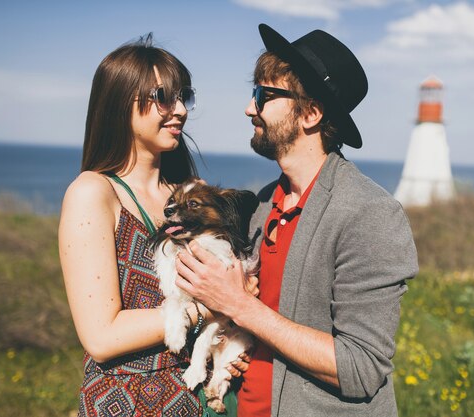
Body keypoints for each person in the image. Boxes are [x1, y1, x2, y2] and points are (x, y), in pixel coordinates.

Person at [175, 24, 419, 417]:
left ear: (310, 113)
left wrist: (239, 305)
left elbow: (361, 367)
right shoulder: (258, 206)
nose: (249, 107)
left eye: (263, 95)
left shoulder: (370, 214)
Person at [59, 34, 251, 417]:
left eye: (185, 96)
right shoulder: (93, 193)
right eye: (163, 96)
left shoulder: (183, 196)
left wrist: (230, 348)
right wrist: (211, 308)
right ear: (118, 102)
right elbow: (101, 336)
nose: (179, 109)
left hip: (204, 401)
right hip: (127, 402)